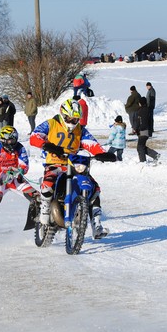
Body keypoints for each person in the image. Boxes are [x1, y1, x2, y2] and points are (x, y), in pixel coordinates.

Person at [30, 99, 116, 239]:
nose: (73, 120)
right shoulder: (51, 123)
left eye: (76, 118)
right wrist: (47, 145)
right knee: (49, 181)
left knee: (94, 188)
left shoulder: (80, 129)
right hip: (55, 162)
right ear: (63, 114)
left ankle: (96, 225)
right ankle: (45, 208)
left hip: (73, 163)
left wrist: (102, 154)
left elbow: (91, 143)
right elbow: (35, 136)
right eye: (70, 117)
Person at [136, 96, 160, 163]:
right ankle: (155, 155)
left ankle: (143, 162)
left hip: (143, 131)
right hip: (147, 131)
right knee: (141, 146)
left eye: (139, 103)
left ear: (141, 103)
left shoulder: (141, 111)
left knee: (140, 147)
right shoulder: (148, 110)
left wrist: (138, 129)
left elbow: (140, 122)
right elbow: (150, 121)